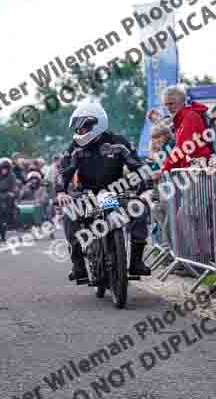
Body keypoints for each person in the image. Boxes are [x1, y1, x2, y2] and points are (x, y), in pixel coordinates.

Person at [55, 100, 152, 280]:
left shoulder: (119, 143)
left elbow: (138, 167)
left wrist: (146, 189)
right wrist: (61, 191)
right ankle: (78, 265)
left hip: (116, 193)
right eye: (78, 128)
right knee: (70, 214)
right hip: (88, 195)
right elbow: (64, 170)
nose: (79, 131)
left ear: (96, 123)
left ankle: (136, 262)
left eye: (83, 127)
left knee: (139, 209)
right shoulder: (76, 146)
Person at [160, 85, 213, 172]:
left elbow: (181, 149)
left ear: (182, 102)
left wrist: (163, 170)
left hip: (199, 171)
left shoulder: (190, 117)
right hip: (196, 169)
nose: (169, 108)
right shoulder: (183, 118)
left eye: (171, 104)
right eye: (166, 105)